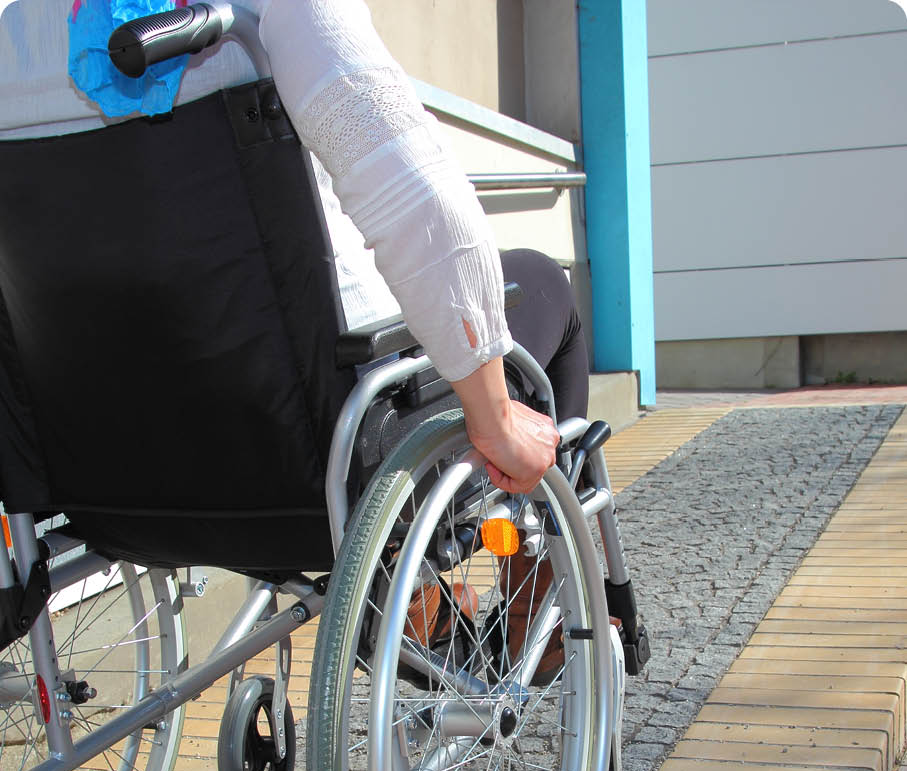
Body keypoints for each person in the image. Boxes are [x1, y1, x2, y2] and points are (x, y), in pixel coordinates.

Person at [0, 0, 588, 497]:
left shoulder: (17, 38)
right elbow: (416, 199)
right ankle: (538, 603)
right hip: (305, 440)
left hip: (110, 471)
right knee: (544, 286)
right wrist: (495, 419)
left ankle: (420, 607)